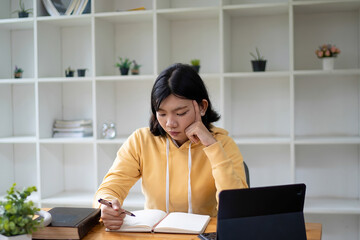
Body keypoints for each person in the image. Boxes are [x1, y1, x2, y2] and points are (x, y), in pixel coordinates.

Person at [94, 63, 248, 230]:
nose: (170, 123)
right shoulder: (140, 140)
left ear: (202, 107)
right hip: (155, 235)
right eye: (162, 114)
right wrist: (107, 206)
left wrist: (211, 145)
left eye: (180, 113)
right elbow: (109, 188)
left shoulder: (223, 144)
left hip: (204, 234)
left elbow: (238, 208)